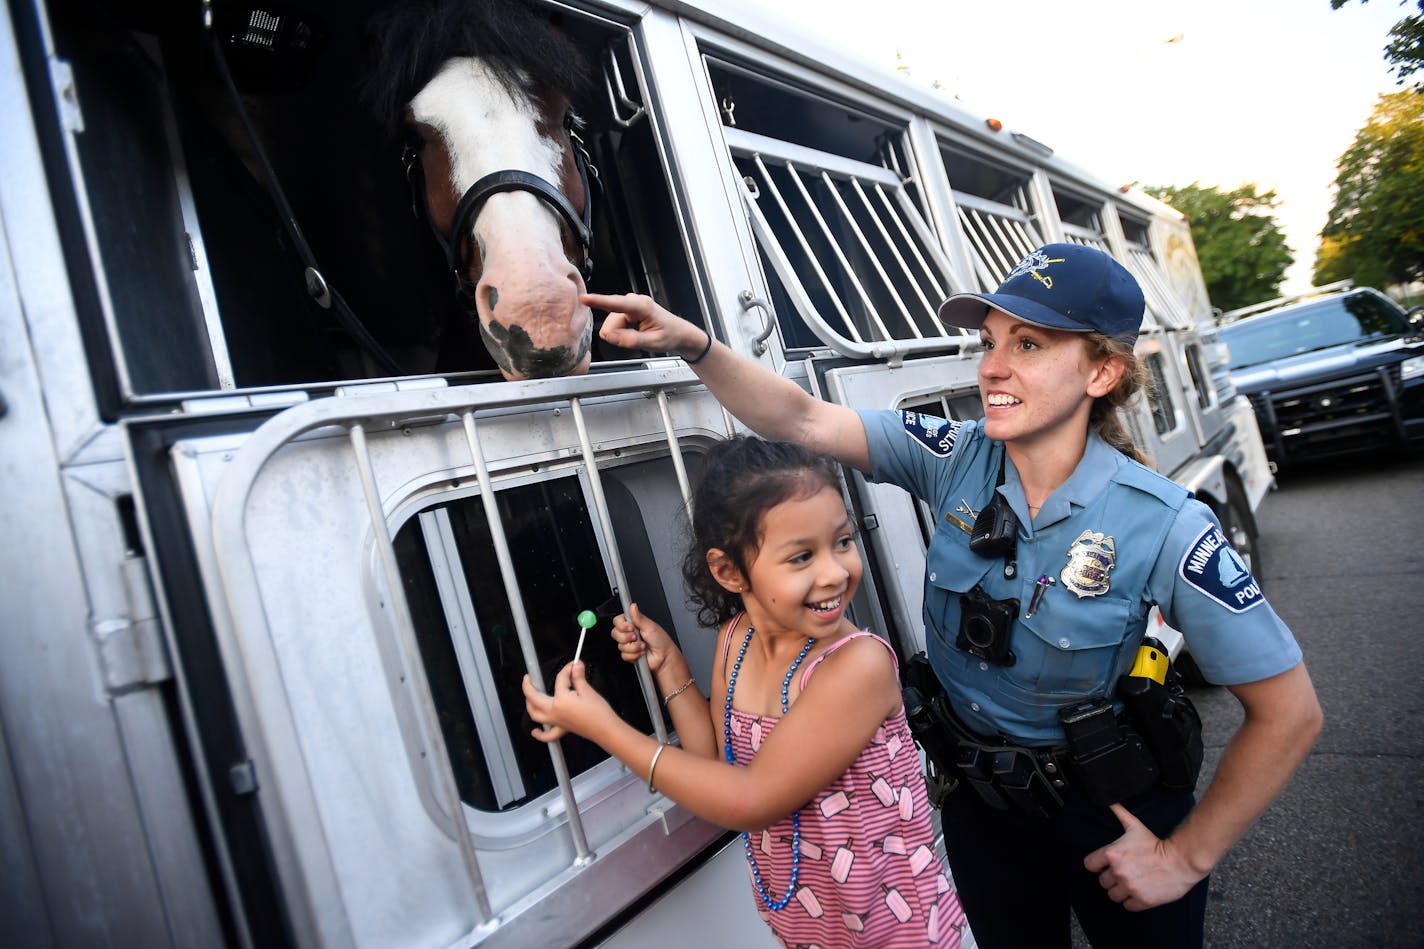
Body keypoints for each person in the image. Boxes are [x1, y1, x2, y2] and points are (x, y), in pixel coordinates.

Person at [584, 242, 1323, 949]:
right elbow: (803, 418)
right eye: (991, 340)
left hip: (1108, 810)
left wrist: (1186, 856)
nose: (992, 366)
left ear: (1103, 371)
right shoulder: (953, 456)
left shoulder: (1165, 524)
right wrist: (694, 344)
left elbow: (1289, 711)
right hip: (982, 809)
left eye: (1028, 345)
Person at [523, 436, 965, 947]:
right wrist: (668, 663)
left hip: (899, 933)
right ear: (729, 571)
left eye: (842, 542)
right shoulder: (737, 639)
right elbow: (713, 756)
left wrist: (604, 729)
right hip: (809, 930)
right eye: (802, 556)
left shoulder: (855, 666)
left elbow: (752, 799)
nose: (836, 571)